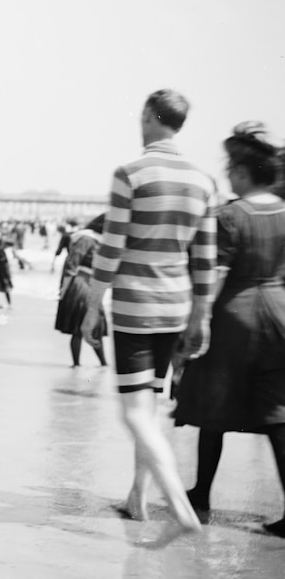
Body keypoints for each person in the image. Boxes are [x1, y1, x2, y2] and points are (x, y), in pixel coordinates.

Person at [81, 89, 216, 544]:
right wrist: (202, 317)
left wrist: (92, 301)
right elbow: (206, 260)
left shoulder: (130, 174)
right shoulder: (203, 180)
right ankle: (138, 496)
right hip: (177, 308)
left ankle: (175, 499)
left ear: (147, 117)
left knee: (135, 413)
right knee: (151, 405)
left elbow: (111, 246)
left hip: (135, 307)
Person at [173, 122, 285, 537]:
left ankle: (201, 494)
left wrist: (195, 324)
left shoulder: (230, 216)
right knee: (277, 414)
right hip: (279, 314)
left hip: (234, 318)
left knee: (212, 408)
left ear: (241, 172)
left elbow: (215, 275)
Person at [54, 213, 108, 368]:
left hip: (90, 284)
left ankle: (102, 363)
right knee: (79, 325)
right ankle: (77, 364)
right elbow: (72, 264)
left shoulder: (95, 239)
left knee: (95, 326)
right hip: (80, 284)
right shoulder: (86, 238)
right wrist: (64, 289)